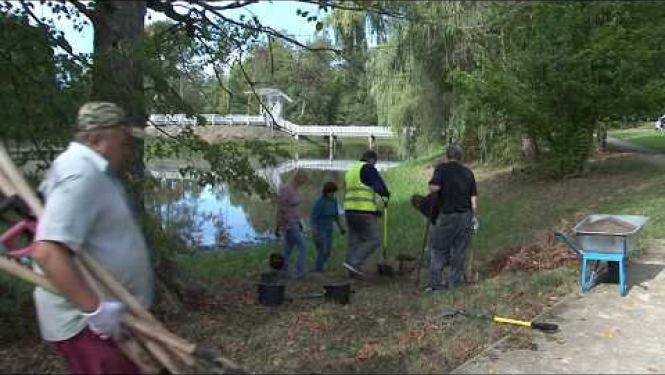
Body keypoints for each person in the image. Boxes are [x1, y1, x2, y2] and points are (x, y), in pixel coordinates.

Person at [29, 102, 154, 374]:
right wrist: (95, 311)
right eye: (123, 143)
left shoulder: (95, 172)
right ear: (96, 139)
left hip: (112, 318)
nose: (129, 151)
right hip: (87, 323)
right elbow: (48, 251)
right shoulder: (79, 174)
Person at [426, 143, 478, 293]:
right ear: (460, 156)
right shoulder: (468, 172)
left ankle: (436, 285)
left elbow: (434, 188)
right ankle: (453, 283)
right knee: (459, 250)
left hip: (447, 216)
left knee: (438, 249)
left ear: (447, 156)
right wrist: (474, 216)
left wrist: (434, 193)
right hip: (465, 216)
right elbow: (473, 197)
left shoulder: (441, 169)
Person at [342, 150, 391, 278]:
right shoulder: (368, 168)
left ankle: (351, 268)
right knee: (374, 239)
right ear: (371, 159)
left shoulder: (351, 170)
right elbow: (379, 186)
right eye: (375, 163)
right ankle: (354, 262)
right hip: (363, 212)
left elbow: (358, 189)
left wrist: (375, 211)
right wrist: (386, 194)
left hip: (349, 211)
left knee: (355, 240)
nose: (375, 166)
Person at [275, 169, 308, 279]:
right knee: (303, 247)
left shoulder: (296, 189)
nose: (304, 183)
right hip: (289, 222)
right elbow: (281, 207)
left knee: (288, 249)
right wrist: (279, 225)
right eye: (303, 180)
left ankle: (283, 272)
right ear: (298, 178)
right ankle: (300, 272)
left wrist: (300, 222)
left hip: (295, 221)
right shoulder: (286, 188)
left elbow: (295, 206)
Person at [310, 181, 346, 272]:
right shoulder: (319, 202)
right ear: (326, 192)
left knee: (328, 252)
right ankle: (317, 271)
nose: (333, 194)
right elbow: (313, 219)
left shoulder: (334, 201)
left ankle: (319, 268)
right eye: (331, 192)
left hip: (329, 229)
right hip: (320, 230)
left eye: (334, 192)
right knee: (323, 250)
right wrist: (315, 234)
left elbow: (336, 216)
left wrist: (341, 228)